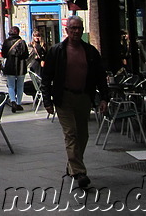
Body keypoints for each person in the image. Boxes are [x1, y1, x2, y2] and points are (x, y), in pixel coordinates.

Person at [40, 15, 109, 189]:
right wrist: (47, 100)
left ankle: (72, 165)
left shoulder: (90, 51)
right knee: (71, 134)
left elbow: (100, 76)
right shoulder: (57, 51)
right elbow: (46, 77)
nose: (76, 31)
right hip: (64, 97)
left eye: (79, 28)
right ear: (67, 31)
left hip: (83, 97)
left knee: (83, 135)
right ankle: (79, 172)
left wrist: (104, 98)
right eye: (73, 29)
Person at [2, 26, 29, 112]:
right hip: (21, 67)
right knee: (20, 85)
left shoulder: (6, 42)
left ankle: (13, 101)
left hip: (10, 66)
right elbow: (26, 55)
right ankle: (18, 103)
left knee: (11, 85)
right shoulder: (22, 42)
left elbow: (4, 54)